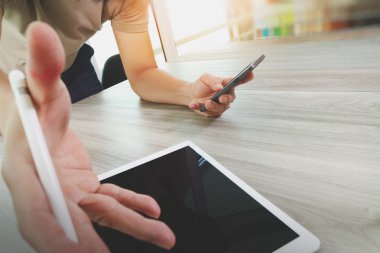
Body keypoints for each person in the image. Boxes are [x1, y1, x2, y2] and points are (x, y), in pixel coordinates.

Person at [0, 1, 253, 252]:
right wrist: (27, 130)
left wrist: (189, 93)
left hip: (71, 70)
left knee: (99, 171)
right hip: (6, 74)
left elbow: (142, 72)